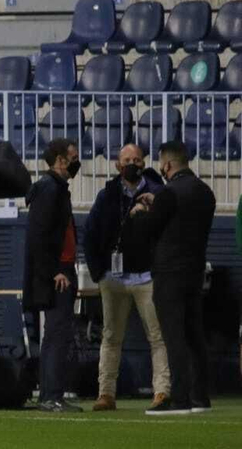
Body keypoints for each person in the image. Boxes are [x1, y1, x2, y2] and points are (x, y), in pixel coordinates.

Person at [82, 143, 169, 412]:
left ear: (144, 162)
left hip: (146, 276)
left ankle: (162, 391)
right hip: (114, 277)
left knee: (157, 337)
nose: (132, 163)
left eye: (137, 158)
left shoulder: (158, 193)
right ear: (118, 165)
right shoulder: (106, 195)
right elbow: (90, 234)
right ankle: (106, 394)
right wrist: (99, 273)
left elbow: (167, 232)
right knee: (111, 337)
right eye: (127, 159)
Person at [132, 141, 217, 415]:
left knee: (173, 336)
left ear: (167, 165)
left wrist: (141, 213)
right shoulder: (206, 192)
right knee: (194, 335)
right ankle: (200, 397)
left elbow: (151, 229)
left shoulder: (169, 192)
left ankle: (179, 398)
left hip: (169, 273)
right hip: (194, 271)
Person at [23, 138, 82, 413]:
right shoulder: (50, 190)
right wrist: (56, 270)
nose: (76, 162)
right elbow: (40, 237)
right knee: (57, 333)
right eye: (73, 157)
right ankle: (51, 395)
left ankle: (50, 393)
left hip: (61, 269)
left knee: (55, 334)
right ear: (60, 160)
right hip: (58, 272)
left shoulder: (55, 189)